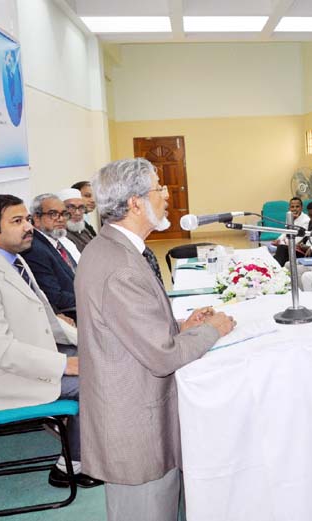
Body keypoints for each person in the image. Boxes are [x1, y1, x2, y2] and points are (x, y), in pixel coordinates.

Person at [74, 159, 234, 520]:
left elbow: (128, 329)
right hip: (134, 421)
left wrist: (182, 324)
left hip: (138, 403)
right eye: (159, 188)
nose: (167, 194)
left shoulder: (116, 248)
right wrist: (214, 329)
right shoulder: (120, 266)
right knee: (147, 510)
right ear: (134, 203)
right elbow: (161, 357)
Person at [0, 194, 94, 488]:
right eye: (17, 221)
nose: (28, 227)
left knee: (100, 360)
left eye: (27, 219)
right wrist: (65, 364)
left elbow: (47, 318)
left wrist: (87, 343)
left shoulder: (14, 260)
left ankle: (92, 447)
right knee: (91, 382)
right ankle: (68, 467)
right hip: (2, 377)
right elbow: (0, 351)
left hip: (30, 356)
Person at [22, 193, 78, 319]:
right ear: (36, 218)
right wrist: (89, 298)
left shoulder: (55, 241)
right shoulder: (35, 249)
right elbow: (53, 296)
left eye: (64, 214)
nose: (61, 219)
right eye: (53, 214)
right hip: (69, 316)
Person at [273, 200, 312, 266]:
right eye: (310, 215)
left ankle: (276, 269)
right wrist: (300, 244)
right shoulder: (311, 222)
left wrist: (311, 248)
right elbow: (306, 237)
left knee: (282, 250)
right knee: (281, 253)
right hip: (303, 249)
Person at [57, 188, 94, 255]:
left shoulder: (85, 230)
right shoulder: (60, 236)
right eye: (71, 208)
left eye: (81, 207)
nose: (77, 213)